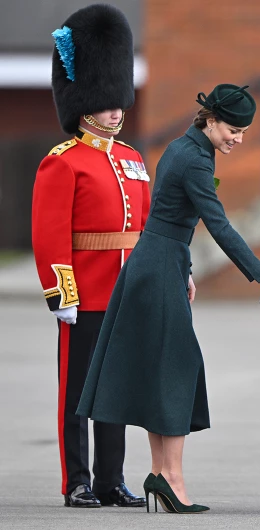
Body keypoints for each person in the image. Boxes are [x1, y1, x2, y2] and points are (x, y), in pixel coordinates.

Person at [76, 84, 260, 514]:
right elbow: (218, 224)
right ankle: (172, 478)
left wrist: (182, 269)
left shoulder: (183, 148)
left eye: (243, 132)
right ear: (212, 120)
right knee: (176, 370)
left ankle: (161, 474)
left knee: (159, 369)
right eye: (234, 130)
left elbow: (168, 216)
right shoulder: (195, 160)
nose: (238, 138)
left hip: (159, 262)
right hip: (159, 265)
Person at [31, 4, 148, 508]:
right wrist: (62, 293)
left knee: (115, 392)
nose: (116, 111)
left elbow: (144, 231)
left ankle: (110, 479)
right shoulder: (62, 163)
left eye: (118, 101)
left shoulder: (133, 160)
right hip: (85, 292)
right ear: (84, 104)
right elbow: (49, 233)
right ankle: (76, 480)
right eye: (105, 104)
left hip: (124, 292)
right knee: (78, 393)